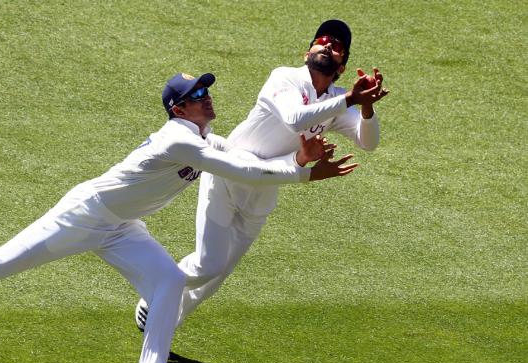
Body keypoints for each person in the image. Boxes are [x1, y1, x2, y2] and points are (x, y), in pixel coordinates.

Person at [0, 71, 357, 363]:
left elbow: (243, 158)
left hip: (125, 227)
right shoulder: (179, 140)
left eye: (207, 90)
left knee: (169, 281)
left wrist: (301, 161)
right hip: (86, 216)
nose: (208, 97)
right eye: (197, 94)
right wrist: (303, 170)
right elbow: (243, 170)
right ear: (178, 108)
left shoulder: (206, 137)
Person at [135, 20, 390, 332]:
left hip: (266, 187)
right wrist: (351, 99)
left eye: (337, 46)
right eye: (322, 39)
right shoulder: (285, 78)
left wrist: (366, 108)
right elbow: (295, 119)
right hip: (230, 171)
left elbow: (369, 142)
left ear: (341, 66)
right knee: (207, 264)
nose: (328, 45)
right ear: (307, 50)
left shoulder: (335, 102)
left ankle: (164, 325)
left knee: (216, 277)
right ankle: (158, 289)